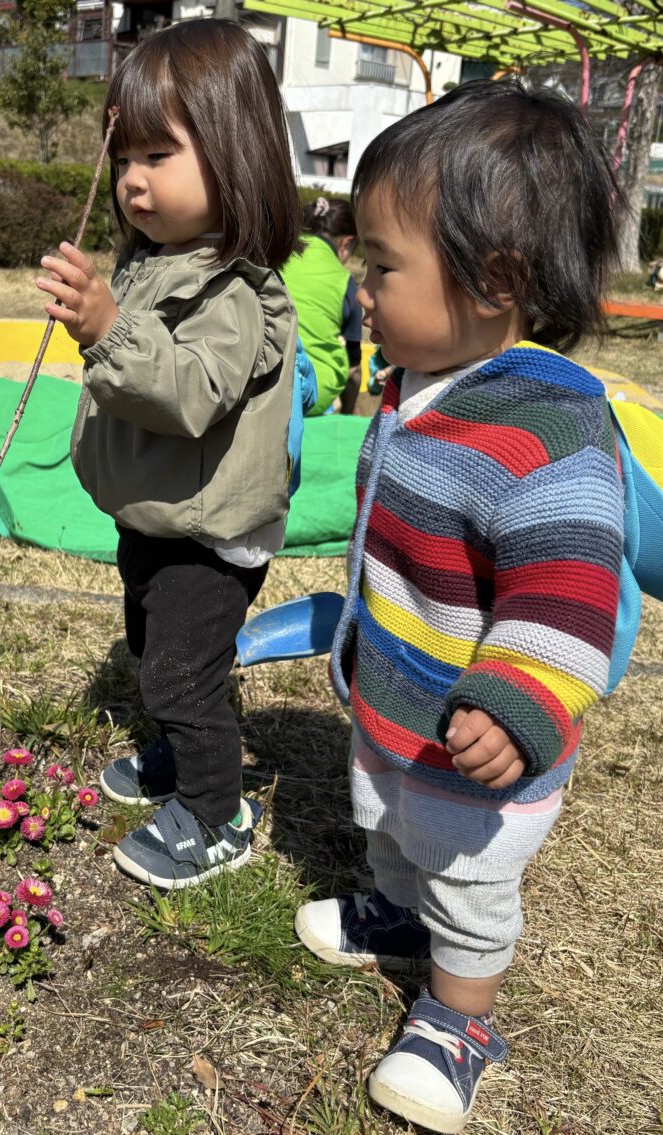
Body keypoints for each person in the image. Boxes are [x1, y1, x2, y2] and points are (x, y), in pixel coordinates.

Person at [294, 79, 625, 1133]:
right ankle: (399, 914)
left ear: (497, 278)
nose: (361, 288)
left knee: (470, 878)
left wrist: (521, 701)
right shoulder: (423, 380)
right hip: (405, 693)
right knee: (394, 822)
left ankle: (460, 1019)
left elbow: (569, 591)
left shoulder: (547, 429)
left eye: (383, 265)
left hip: (483, 737)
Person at [35, 19, 301, 890]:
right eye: (123, 158)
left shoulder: (236, 289)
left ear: (235, 155)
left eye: (158, 154)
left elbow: (189, 392)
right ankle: (180, 756)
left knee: (184, 675)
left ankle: (217, 813)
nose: (133, 180)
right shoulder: (154, 262)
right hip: (159, 514)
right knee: (152, 644)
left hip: (211, 533)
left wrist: (108, 330)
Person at [281, 197, 363, 415]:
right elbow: (354, 367)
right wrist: (349, 411)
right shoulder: (345, 283)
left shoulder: (278, 254)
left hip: (261, 385)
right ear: (347, 243)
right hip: (313, 392)